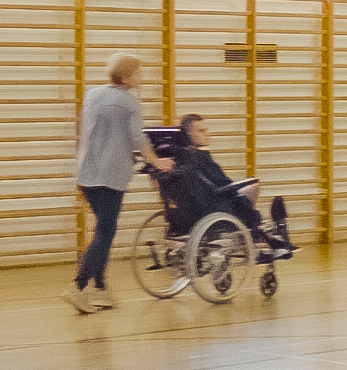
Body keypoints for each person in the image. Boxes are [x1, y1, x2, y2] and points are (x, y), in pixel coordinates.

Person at [66, 53, 168, 313]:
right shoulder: (129, 101)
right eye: (137, 74)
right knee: (105, 232)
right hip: (110, 176)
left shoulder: (92, 95)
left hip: (86, 174)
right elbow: (137, 138)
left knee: (104, 229)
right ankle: (79, 286)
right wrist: (157, 161)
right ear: (125, 76)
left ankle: (100, 288)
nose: (140, 78)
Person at [167, 113, 291, 257]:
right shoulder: (197, 158)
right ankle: (268, 234)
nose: (207, 134)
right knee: (250, 189)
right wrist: (236, 187)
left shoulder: (178, 159)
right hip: (211, 210)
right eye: (201, 131)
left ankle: (268, 233)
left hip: (184, 216)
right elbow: (220, 184)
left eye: (206, 130)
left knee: (240, 195)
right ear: (188, 135)